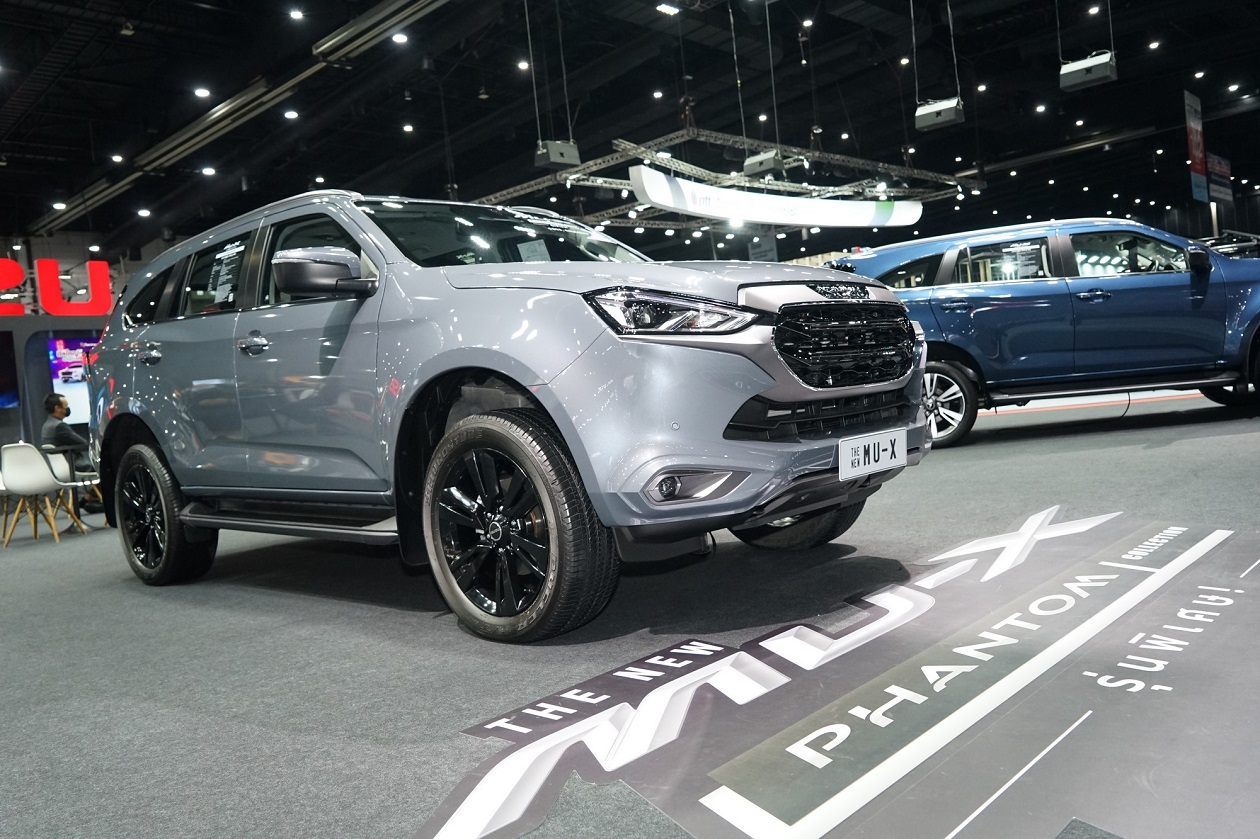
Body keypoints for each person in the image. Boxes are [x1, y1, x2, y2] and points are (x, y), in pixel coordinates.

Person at [41, 392, 93, 473]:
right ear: (57, 408)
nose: (68, 409)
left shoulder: (47, 425)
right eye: (66, 406)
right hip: (73, 466)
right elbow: (83, 443)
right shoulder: (59, 426)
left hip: (60, 468)